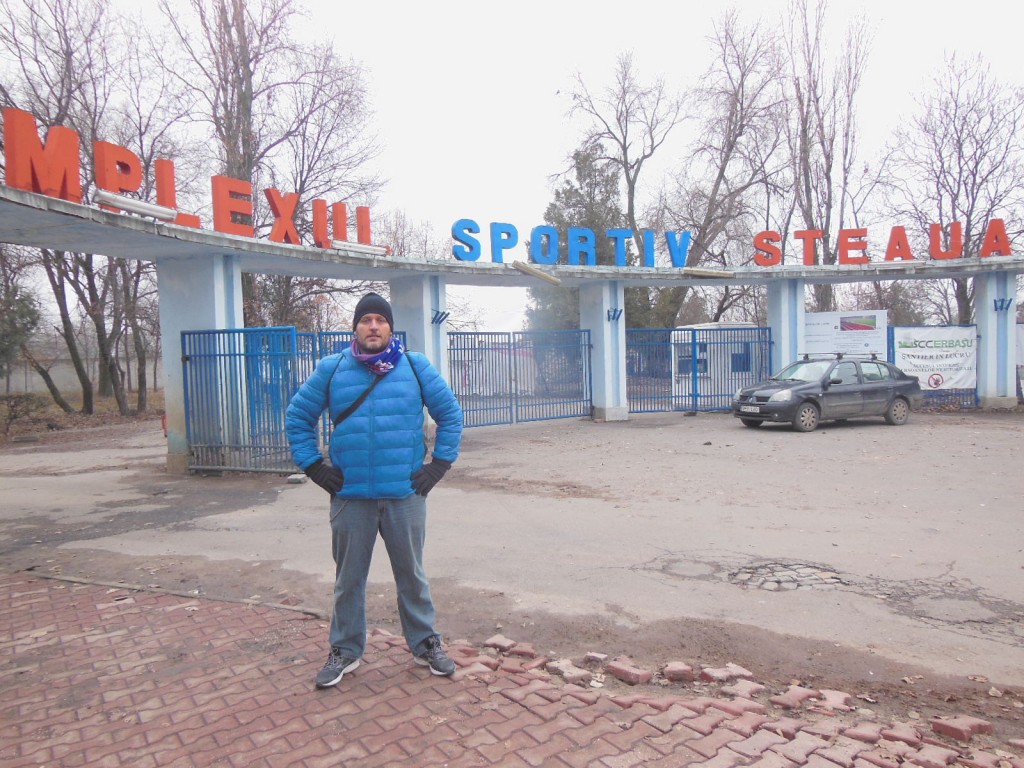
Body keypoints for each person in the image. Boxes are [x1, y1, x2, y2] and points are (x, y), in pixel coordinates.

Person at [286, 292, 463, 688]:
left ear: (390, 327)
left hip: (404, 495)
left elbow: (450, 414)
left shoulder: (415, 367)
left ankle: (424, 643)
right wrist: (315, 467)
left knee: (412, 575)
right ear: (355, 328)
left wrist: (439, 466)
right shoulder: (332, 369)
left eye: (380, 320)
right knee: (348, 579)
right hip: (351, 498)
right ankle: (345, 650)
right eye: (365, 320)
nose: (373, 326)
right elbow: (298, 417)